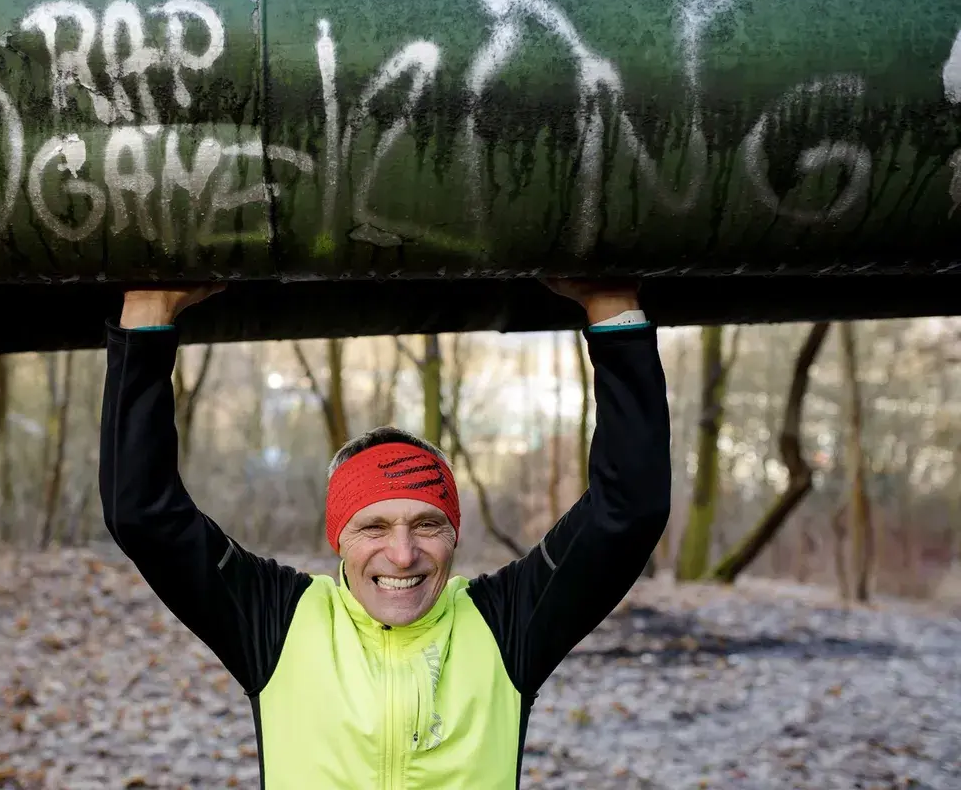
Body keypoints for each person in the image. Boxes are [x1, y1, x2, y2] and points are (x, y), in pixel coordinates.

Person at [99, 279, 671, 789]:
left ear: (454, 535)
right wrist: (148, 311)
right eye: (374, 526)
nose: (402, 555)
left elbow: (629, 511)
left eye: (428, 525)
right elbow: (143, 513)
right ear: (338, 538)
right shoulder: (276, 620)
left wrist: (612, 306)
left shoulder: (507, 624)